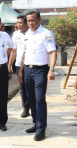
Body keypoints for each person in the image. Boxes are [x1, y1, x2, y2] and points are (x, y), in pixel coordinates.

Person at [18, 10, 57, 141]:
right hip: (28, 70)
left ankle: (41, 129)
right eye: (28, 21)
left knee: (40, 99)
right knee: (31, 98)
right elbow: (25, 53)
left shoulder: (46, 34)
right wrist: (21, 71)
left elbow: (53, 52)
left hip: (40, 71)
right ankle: (35, 123)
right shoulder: (27, 34)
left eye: (33, 20)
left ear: (39, 20)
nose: (30, 23)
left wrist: (51, 69)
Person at [9, 14, 30, 118]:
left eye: (20, 22)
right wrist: (9, 65)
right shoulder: (16, 34)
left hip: (30, 64)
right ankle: (26, 108)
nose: (18, 25)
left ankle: (34, 107)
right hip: (18, 65)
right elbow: (13, 50)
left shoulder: (32, 33)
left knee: (32, 87)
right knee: (23, 87)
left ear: (26, 23)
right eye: (17, 22)